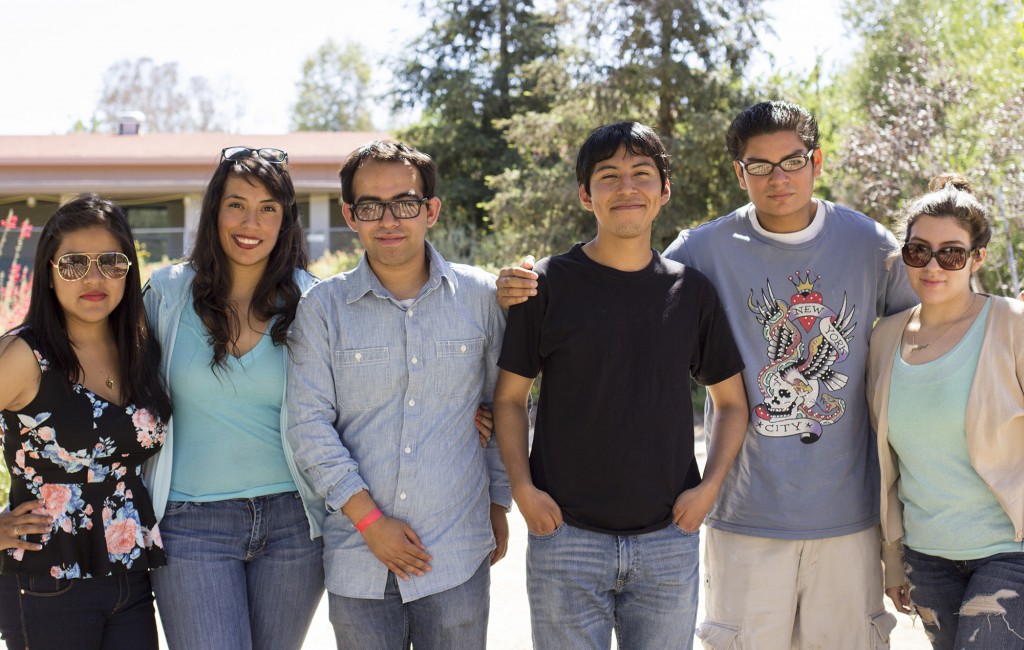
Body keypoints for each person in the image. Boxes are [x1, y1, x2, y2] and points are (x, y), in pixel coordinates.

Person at [498, 102, 919, 648]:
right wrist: (510, 284)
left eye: (791, 161)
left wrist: (1004, 318)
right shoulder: (699, 252)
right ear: (740, 173)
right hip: (736, 518)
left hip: (843, 514)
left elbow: (933, 324)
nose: (777, 177)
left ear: (817, 162)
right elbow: (625, 278)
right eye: (759, 166)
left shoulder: (872, 245)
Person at [492, 122, 749, 649]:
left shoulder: (691, 291)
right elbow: (510, 399)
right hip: (565, 537)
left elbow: (731, 404)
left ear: (663, 192)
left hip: (668, 540)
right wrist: (523, 488)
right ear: (587, 195)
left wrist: (709, 490)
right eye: (609, 176)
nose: (626, 188)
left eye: (641, 175)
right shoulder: (545, 285)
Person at [286, 139, 510, 650]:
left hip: (456, 552)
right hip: (358, 560)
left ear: (430, 210)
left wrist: (499, 505)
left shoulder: (482, 298)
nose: (389, 220)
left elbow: (505, 409)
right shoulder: (323, 308)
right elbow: (308, 425)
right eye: (371, 206)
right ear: (350, 215)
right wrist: (371, 523)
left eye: (404, 203)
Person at [143, 147, 325, 650]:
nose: (251, 222)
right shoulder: (165, 294)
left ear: (286, 220)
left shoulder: (316, 301)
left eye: (269, 208)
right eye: (236, 204)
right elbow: (106, 377)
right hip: (190, 526)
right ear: (213, 212)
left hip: (294, 524)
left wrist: (473, 412)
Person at [0, 195, 172, 648]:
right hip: (46, 584)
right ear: (49, 271)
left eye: (111, 262)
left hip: (131, 580)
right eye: (74, 263)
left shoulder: (140, 349)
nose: (94, 278)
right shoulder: (24, 356)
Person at [867, 174, 1024, 649]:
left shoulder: (1012, 326)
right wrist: (894, 559)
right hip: (927, 557)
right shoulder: (883, 337)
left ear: (977, 258)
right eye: (918, 251)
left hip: (1009, 551)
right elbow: (888, 467)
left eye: (951, 253)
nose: (933, 266)